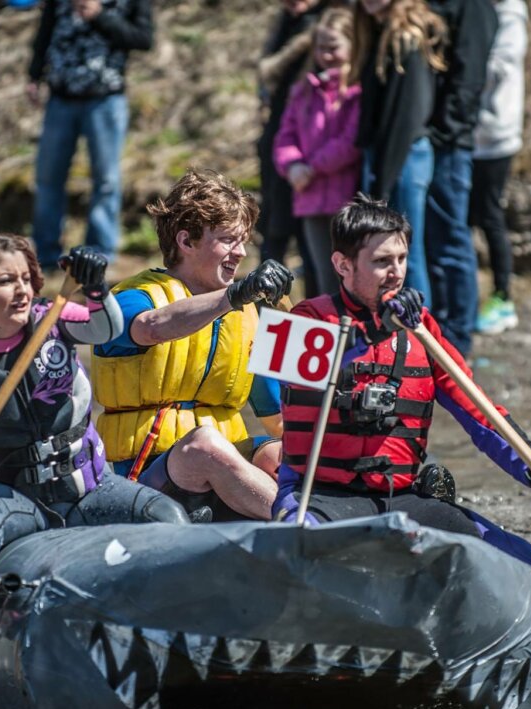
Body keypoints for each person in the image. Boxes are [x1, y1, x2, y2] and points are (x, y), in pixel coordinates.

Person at [273, 195, 531, 697]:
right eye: (381, 262)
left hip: (401, 498)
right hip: (322, 497)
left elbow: (483, 418)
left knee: (518, 556)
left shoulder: (423, 331)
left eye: (401, 259)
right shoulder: (306, 319)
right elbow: (282, 393)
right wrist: (368, 333)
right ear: (341, 264)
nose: (395, 272)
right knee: (290, 548)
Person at [0, 236, 190, 632]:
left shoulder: (55, 321)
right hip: (15, 497)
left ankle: (170, 610)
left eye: (25, 278)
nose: (20, 290)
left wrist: (95, 288)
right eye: (4, 281)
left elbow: (106, 328)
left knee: (168, 516)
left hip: (91, 488)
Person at [91, 169, 293, 521]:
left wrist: (295, 321)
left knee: (283, 455)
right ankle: (299, 523)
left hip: (227, 469)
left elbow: (281, 419)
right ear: (186, 241)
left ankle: (320, 520)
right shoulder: (130, 299)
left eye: (244, 241)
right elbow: (152, 328)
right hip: (145, 481)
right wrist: (234, 296)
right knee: (205, 446)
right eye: (229, 240)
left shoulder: (246, 316)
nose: (241, 253)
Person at [26, 0, 152, 270]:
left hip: (105, 100)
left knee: (106, 179)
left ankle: (99, 255)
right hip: (60, 98)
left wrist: (99, 16)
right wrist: (34, 74)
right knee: (48, 177)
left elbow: (143, 38)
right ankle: (45, 255)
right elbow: (45, 30)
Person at [353, 0, 446, 307]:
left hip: (404, 156)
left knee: (406, 252)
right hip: (385, 155)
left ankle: (421, 335)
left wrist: (383, 178)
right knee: (386, 249)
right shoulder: (377, 32)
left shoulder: (408, 37)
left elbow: (408, 117)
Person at [424, 0, 496, 357]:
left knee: (451, 238)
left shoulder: (474, 7)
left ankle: (459, 336)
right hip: (438, 138)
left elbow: (469, 77)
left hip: (450, 144)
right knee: (435, 239)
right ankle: (444, 329)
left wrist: (443, 131)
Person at [272, 5, 361, 298]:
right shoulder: (303, 90)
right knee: (321, 274)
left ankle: (353, 338)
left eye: (333, 47)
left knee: (348, 277)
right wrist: (293, 165)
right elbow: (285, 135)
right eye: (320, 48)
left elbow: (351, 140)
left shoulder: (357, 91)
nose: (326, 55)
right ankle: (331, 337)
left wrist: (313, 166)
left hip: (344, 198)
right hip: (308, 198)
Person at [256, 0, 325, 291]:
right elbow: (265, 75)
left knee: (311, 238)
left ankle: (314, 312)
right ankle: (262, 304)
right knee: (273, 225)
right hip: (280, 135)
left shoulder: (327, 23)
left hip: (313, 141)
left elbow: (270, 69)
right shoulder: (285, 21)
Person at [471, 0, 527, 335]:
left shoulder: (511, 15)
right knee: (467, 218)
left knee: (490, 214)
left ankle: (503, 297)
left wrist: (463, 66)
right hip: (474, 134)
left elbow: (501, 65)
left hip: (495, 135)